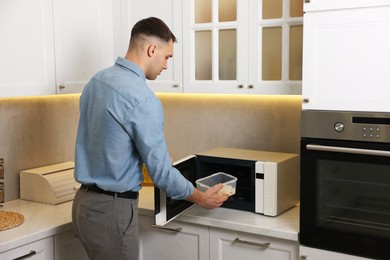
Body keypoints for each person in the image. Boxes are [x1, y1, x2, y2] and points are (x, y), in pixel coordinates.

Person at [72, 17, 228, 260]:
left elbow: (107, 141)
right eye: (167, 57)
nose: (166, 66)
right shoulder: (142, 98)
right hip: (113, 211)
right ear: (152, 49)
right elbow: (162, 174)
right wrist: (201, 197)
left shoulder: (96, 81)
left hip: (84, 205)